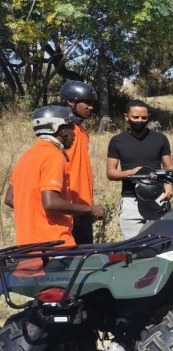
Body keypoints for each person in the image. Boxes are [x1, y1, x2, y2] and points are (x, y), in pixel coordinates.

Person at [4, 106, 104, 252]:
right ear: (61, 130)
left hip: (27, 246)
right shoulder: (54, 156)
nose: (75, 134)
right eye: (71, 128)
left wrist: (39, 214)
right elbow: (50, 202)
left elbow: (10, 198)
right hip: (55, 245)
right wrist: (89, 210)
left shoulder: (26, 156)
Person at [106, 100, 173, 240]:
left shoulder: (160, 139)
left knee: (162, 244)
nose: (140, 121)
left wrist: (169, 184)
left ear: (148, 117)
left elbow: (168, 167)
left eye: (144, 118)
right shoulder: (117, 141)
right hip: (131, 200)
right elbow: (111, 172)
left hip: (158, 198)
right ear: (126, 116)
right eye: (135, 117)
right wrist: (131, 173)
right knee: (134, 247)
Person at [59, 80, 99, 244]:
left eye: (92, 104)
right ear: (70, 102)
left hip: (83, 203)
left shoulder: (81, 129)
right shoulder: (61, 131)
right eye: (87, 103)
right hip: (69, 205)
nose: (90, 107)